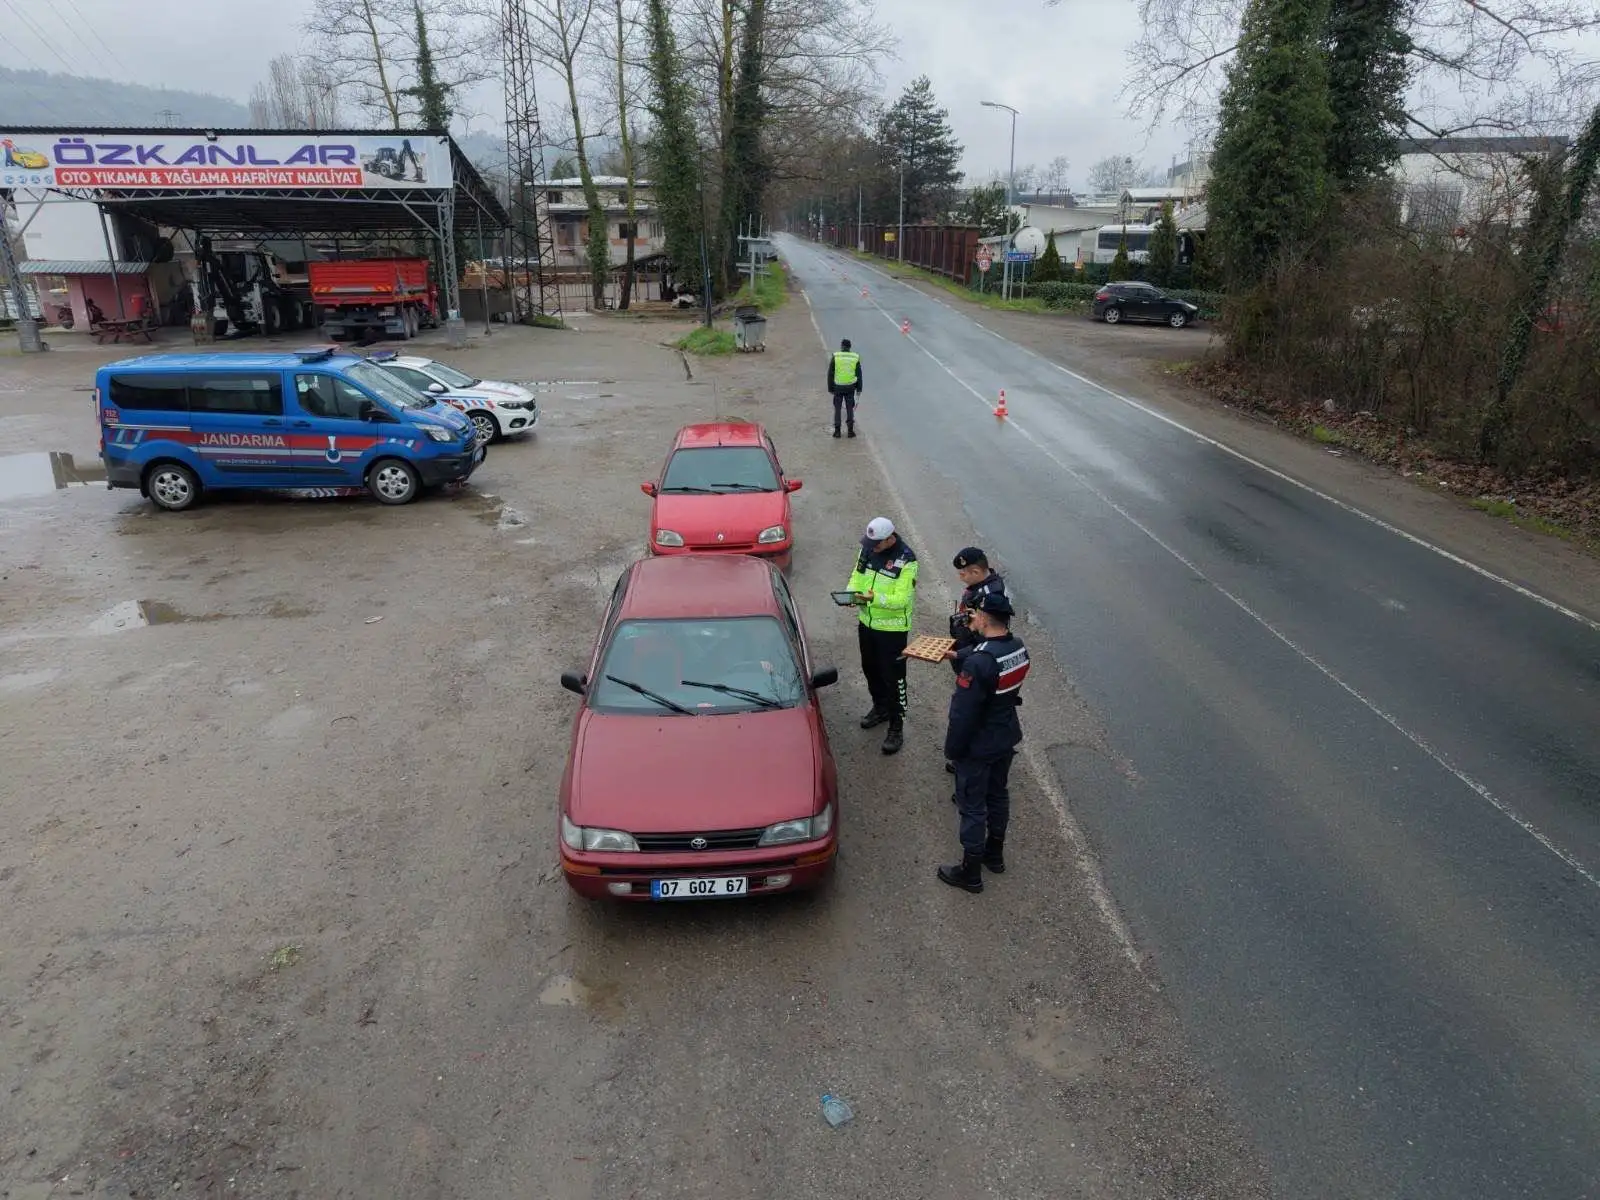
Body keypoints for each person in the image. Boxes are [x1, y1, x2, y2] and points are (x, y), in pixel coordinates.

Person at [938, 592, 1029, 893]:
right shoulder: (1017, 648)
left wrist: (953, 750)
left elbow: (962, 714)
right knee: (998, 795)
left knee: (973, 806)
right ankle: (995, 854)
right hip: (1005, 736)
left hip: (978, 744)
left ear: (985, 618)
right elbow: (993, 663)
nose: (970, 618)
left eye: (974, 614)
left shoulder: (978, 663)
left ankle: (970, 872)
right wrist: (960, 654)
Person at [845, 516, 918, 754]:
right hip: (866, 623)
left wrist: (873, 598)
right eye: (870, 542)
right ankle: (880, 708)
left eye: (876, 543)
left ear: (890, 539)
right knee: (870, 669)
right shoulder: (866, 550)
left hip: (892, 630)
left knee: (894, 680)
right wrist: (850, 595)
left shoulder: (907, 560)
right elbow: (856, 577)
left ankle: (896, 727)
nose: (871, 547)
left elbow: (901, 600)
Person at [945, 547, 1007, 774]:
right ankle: (967, 756)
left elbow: (988, 642)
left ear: (975, 571)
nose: (960, 578)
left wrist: (960, 654)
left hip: (976, 663)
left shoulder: (990, 597)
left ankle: (968, 763)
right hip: (968, 656)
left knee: (972, 713)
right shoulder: (978, 589)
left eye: (963, 574)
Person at [827, 338, 863, 438]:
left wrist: (830, 388)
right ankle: (850, 431)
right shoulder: (855, 357)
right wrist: (859, 389)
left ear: (842, 346)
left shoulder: (836, 356)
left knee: (837, 408)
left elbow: (830, 374)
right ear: (850, 347)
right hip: (850, 387)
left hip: (838, 387)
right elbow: (859, 375)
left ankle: (837, 431)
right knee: (849, 408)